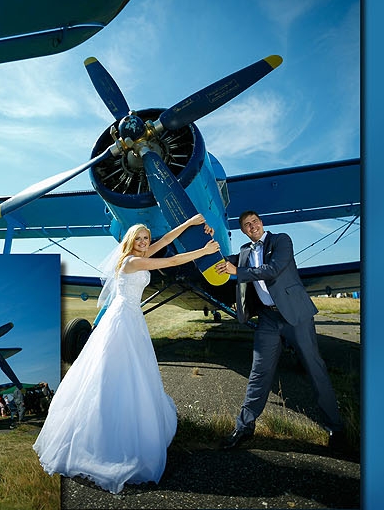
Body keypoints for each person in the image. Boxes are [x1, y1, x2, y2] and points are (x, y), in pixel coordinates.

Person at [32, 215, 220, 493]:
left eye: (147, 238)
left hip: (131, 317)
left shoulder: (139, 255)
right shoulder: (132, 261)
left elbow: (166, 241)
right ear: (130, 242)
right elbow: (169, 261)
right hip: (123, 320)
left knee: (132, 371)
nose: (145, 242)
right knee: (116, 370)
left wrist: (191, 222)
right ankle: (106, 441)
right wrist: (203, 252)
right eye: (140, 239)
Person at [216, 210, 345, 451]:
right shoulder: (244, 252)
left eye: (254, 222)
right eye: (246, 225)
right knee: (258, 373)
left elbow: (273, 269)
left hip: (295, 315)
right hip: (267, 318)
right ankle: (244, 427)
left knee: (315, 369)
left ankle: (335, 428)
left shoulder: (282, 240)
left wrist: (239, 272)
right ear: (243, 230)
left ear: (261, 223)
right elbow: (219, 260)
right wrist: (208, 236)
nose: (252, 226)